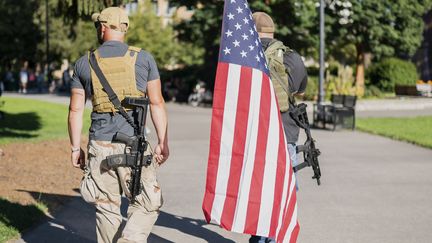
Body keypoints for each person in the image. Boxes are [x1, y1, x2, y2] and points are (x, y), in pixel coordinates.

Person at [68, 7, 169, 243]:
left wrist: (75, 148)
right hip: (133, 145)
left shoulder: (84, 63)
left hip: (100, 145)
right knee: (148, 202)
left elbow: (75, 109)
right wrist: (163, 141)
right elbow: (157, 102)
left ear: (103, 27)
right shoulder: (143, 58)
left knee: (106, 207)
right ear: (124, 28)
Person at [250, 12, 308, 243]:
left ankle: (259, 236)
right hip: (286, 132)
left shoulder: (245, 55)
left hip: (256, 133)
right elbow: (300, 90)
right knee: (284, 188)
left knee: (258, 189)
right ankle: (278, 237)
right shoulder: (292, 57)